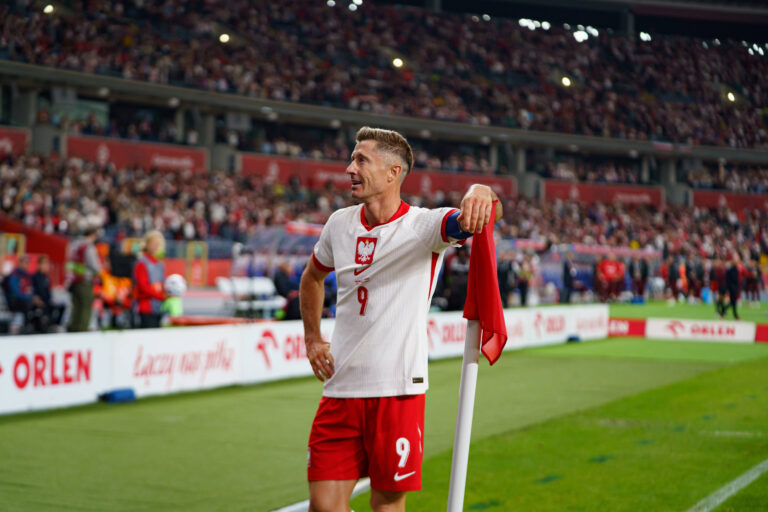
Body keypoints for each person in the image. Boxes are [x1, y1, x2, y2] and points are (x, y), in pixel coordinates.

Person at [299, 126, 501, 512]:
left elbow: (484, 214)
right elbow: (311, 277)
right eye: (351, 158)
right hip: (340, 390)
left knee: (387, 506)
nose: (349, 168)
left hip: (397, 392)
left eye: (361, 160)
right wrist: (312, 339)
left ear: (393, 173)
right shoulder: (339, 224)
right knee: (323, 506)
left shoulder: (423, 227)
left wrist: (482, 190)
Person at [67, 227, 102, 332]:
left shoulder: (74, 245)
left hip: (74, 281)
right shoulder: (89, 247)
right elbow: (95, 266)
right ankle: (82, 331)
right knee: (85, 308)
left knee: (75, 307)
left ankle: (73, 329)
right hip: (85, 281)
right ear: (91, 235)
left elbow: (69, 262)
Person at [132, 230, 167, 328]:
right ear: (146, 245)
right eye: (153, 243)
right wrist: (161, 296)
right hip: (146, 307)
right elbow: (143, 287)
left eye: (158, 244)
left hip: (158, 307)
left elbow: (162, 283)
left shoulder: (160, 264)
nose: (156, 247)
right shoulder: (141, 263)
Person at [3, 255, 46, 333]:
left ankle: (38, 327)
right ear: (20, 263)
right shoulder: (15, 276)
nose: (27, 264)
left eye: (28, 262)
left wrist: (34, 297)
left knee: (40, 304)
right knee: (28, 304)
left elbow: (29, 290)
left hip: (24, 300)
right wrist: (30, 298)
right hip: (14, 301)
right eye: (25, 262)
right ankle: (26, 328)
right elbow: (17, 293)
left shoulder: (26, 276)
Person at [32, 255, 66, 331]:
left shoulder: (46, 277)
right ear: (39, 265)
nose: (46, 266)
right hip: (39, 302)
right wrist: (35, 298)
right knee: (45, 309)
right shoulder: (35, 277)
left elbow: (48, 292)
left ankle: (55, 325)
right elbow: (33, 291)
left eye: (47, 264)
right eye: (44, 264)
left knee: (61, 307)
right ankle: (47, 326)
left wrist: (52, 300)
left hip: (47, 301)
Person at [724, 254, 741, 320]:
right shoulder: (730, 270)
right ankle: (735, 316)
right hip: (731, 288)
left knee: (733, 302)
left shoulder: (736, 269)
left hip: (735, 288)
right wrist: (728, 289)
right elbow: (727, 280)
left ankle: (723, 312)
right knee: (732, 302)